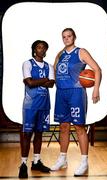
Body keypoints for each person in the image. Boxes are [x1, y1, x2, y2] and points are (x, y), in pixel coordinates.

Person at [51, 28, 102, 176]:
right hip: (61, 93)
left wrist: (96, 89)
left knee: (79, 127)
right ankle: (62, 159)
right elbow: (54, 70)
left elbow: (97, 69)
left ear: (74, 37)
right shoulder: (60, 54)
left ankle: (84, 161)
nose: (67, 39)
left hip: (76, 93)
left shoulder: (81, 52)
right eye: (64, 37)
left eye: (69, 36)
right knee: (63, 127)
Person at [18, 40, 55, 178]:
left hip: (44, 105)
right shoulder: (27, 63)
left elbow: (51, 84)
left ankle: (36, 162)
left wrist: (36, 80)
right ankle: (23, 164)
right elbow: (29, 82)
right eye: (39, 47)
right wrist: (44, 79)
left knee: (39, 134)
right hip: (30, 105)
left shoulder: (49, 66)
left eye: (44, 48)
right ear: (34, 50)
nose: (42, 50)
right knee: (27, 134)